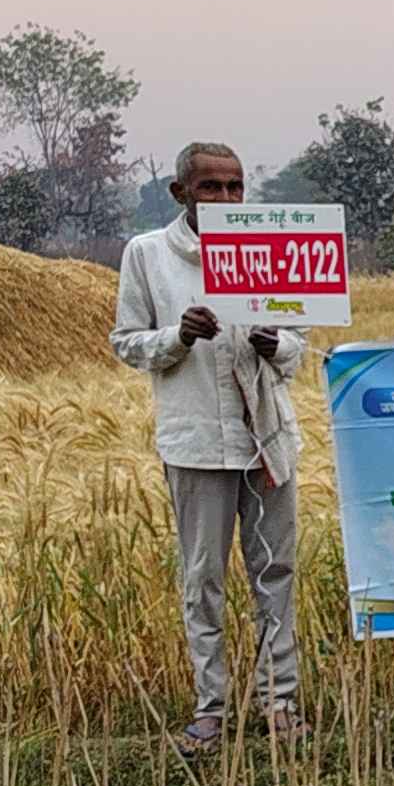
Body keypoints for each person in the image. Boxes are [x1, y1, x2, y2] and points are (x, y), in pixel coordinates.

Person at [113, 139, 306, 750]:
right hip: (195, 442)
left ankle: (280, 704)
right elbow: (126, 341)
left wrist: (278, 344)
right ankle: (211, 710)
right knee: (203, 579)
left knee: (276, 572)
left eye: (235, 186)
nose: (225, 197)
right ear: (181, 192)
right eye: (210, 187)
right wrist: (178, 336)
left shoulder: (267, 250)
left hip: (266, 439)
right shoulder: (149, 254)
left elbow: (299, 340)